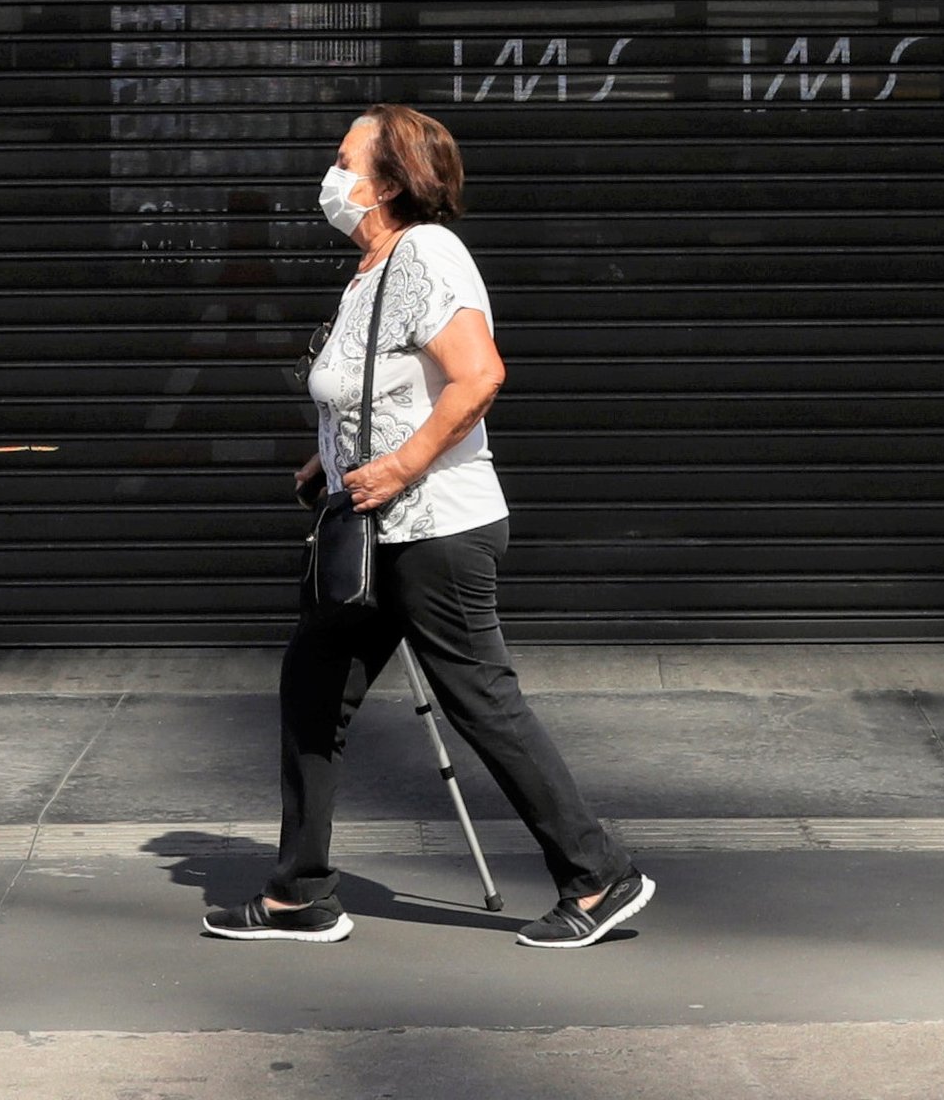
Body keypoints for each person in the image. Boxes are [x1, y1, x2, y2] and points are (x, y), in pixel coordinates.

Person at [202, 103, 652, 949]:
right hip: (370, 530)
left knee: (481, 702)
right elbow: (386, 389)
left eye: (344, 160)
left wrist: (402, 466)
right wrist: (331, 462)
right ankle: (301, 893)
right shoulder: (371, 269)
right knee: (310, 696)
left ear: (386, 180)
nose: (330, 177)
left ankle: (599, 880)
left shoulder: (429, 254)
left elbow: (478, 378)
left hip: (436, 527)